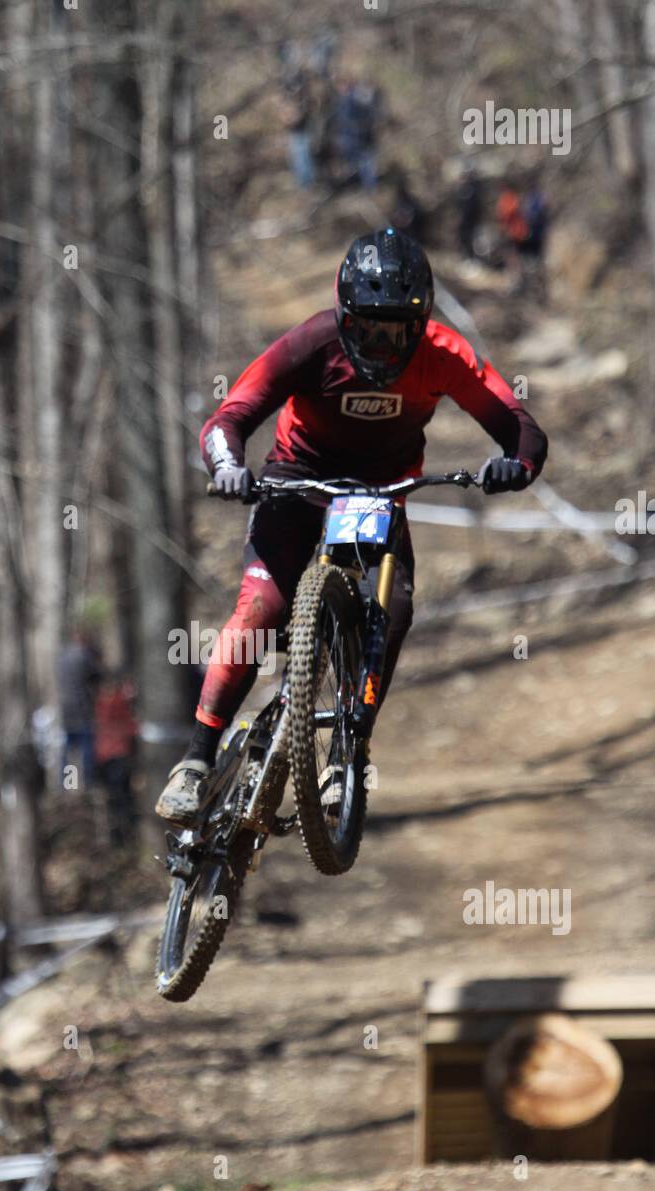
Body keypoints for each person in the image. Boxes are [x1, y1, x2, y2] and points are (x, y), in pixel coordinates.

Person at [156, 229, 548, 824]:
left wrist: (515, 465)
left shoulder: (443, 352)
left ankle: (347, 752)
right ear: (344, 314)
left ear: (420, 325)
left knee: (392, 613)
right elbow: (229, 416)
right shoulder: (311, 343)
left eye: (397, 331)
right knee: (261, 606)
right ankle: (196, 759)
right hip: (299, 477)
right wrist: (230, 466)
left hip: (382, 490)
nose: (383, 345)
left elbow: (519, 424)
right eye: (369, 328)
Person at [94, 672, 139, 847]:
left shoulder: (100, 703)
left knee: (114, 797)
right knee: (122, 797)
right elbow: (129, 725)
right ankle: (124, 834)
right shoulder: (117, 702)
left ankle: (117, 835)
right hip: (117, 754)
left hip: (104, 755)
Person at [58, 626, 101, 786]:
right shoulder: (83, 656)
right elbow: (97, 675)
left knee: (68, 747)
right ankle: (89, 781)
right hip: (81, 708)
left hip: (66, 709)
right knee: (86, 745)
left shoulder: (62, 656)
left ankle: (66, 783)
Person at [456, 163, 483, 261]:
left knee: (471, 238)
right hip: (465, 219)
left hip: (471, 219)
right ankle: (466, 256)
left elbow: (475, 206)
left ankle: (471, 257)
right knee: (464, 238)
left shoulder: (473, 189)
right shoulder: (463, 189)